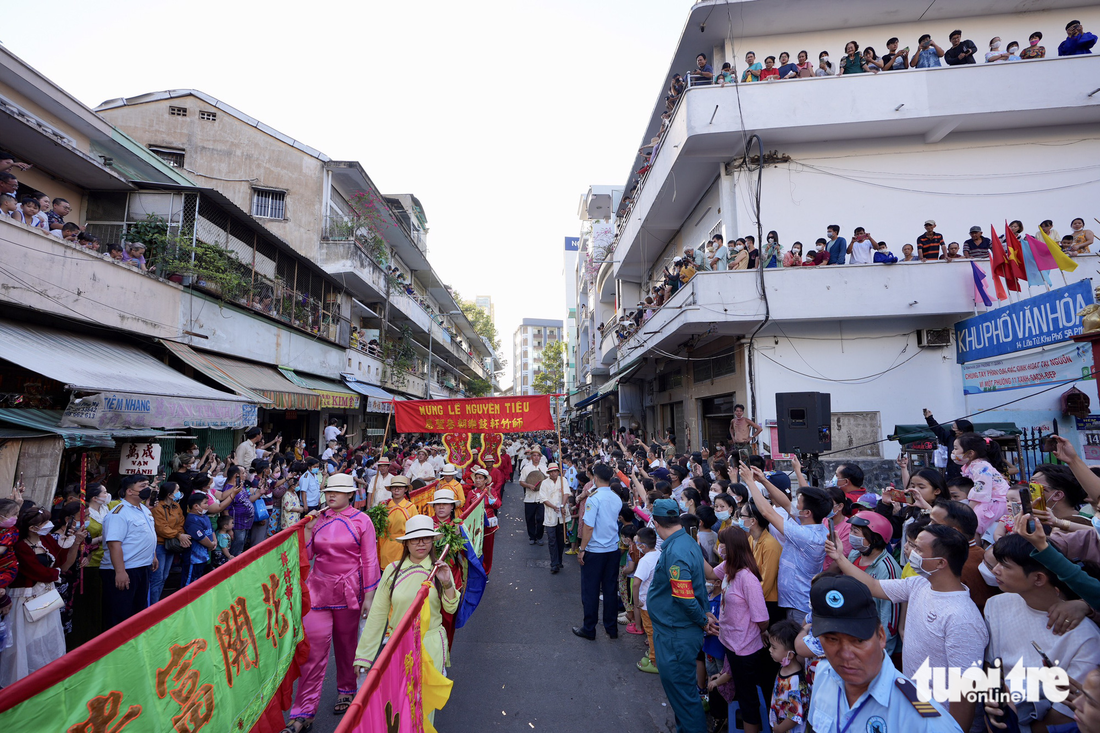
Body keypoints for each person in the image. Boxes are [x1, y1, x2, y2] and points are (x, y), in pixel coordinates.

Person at [825, 524, 985, 730]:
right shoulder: (920, 584)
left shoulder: (962, 618)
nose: (910, 552)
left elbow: (964, 691)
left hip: (939, 718)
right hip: (915, 704)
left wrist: (952, 728)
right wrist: (839, 558)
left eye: (918, 549)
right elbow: (873, 586)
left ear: (940, 562)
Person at [284, 474, 380, 733]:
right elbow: (306, 554)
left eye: (337, 492)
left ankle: (347, 689)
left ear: (350, 494)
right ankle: (303, 712)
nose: (331, 496)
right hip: (318, 590)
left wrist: (369, 596)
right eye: (328, 492)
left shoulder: (362, 520)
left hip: (350, 592)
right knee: (312, 650)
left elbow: (370, 559)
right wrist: (305, 528)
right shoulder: (317, 520)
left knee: (348, 645)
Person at [806, 576, 962, 733]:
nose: (846, 655)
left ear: (881, 636)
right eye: (832, 639)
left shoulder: (923, 720)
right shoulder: (823, 674)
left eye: (858, 641)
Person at [354, 515, 458, 727]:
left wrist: (447, 584)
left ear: (432, 541)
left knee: (423, 709)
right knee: (400, 705)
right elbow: (378, 615)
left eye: (426, 539)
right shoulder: (393, 570)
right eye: (415, 539)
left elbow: (451, 607)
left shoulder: (439, 570)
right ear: (406, 543)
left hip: (430, 645)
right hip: (398, 646)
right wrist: (364, 657)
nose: (421, 544)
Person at [645, 498, 719, 733]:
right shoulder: (688, 541)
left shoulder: (676, 551)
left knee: (685, 700)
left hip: (675, 635)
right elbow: (699, 583)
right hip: (677, 631)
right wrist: (705, 612)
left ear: (656, 523)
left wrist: (701, 619)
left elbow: (685, 596)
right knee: (682, 697)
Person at [0, 505, 85, 685]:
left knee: (48, 636)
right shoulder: (20, 545)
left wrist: (74, 542)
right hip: (25, 598)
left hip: (47, 596)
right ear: (32, 527)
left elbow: (63, 563)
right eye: (44, 522)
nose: (49, 524)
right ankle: (23, 682)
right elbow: (34, 569)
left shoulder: (46, 539)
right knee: (28, 641)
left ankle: (49, 677)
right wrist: (56, 575)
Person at [744, 465, 830, 620]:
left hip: (799, 605)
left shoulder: (806, 536)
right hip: (794, 600)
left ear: (807, 513)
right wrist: (763, 481)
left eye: (799, 503)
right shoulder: (813, 525)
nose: (794, 505)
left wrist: (750, 483)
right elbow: (786, 504)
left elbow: (767, 512)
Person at [709, 525, 771, 733]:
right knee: (736, 690)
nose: (720, 548)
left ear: (733, 548)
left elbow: (762, 618)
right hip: (730, 643)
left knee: (747, 698)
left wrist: (760, 632)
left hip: (745, 647)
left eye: (723, 545)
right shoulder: (728, 567)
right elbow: (710, 573)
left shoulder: (747, 578)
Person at [573, 463, 625, 640]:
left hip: (595, 550)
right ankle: (611, 629)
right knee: (610, 589)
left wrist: (582, 549)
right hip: (612, 549)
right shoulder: (616, 498)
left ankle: (589, 628)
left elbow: (588, 527)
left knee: (591, 590)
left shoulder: (594, 498)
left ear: (595, 478)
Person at [100, 475, 158, 629]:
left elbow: (149, 534)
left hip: (142, 566)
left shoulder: (144, 509)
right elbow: (114, 544)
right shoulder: (118, 513)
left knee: (137, 611)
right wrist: (120, 571)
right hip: (125, 569)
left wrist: (153, 556)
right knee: (120, 613)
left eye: (147, 485)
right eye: (142, 486)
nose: (147, 489)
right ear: (129, 491)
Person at [846, 512, 901, 653]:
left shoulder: (888, 569)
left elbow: (890, 620)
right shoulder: (854, 555)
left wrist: (882, 652)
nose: (851, 535)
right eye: (851, 530)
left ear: (874, 537)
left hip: (872, 641)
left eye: (856, 531)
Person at [952, 432, 1009, 536]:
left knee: (973, 527)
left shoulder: (980, 466)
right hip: (989, 500)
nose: (953, 452)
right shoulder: (974, 465)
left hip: (994, 502)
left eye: (956, 448)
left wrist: (969, 510)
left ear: (970, 453)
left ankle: (976, 549)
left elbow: (981, 491)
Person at [766, 619, 809, 733]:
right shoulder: (783, 668)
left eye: (774, 647)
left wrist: (780, 729)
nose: (770, 650)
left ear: (790, 655)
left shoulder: (795, 681)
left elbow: (795, 714)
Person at [150, 481, 190, 603]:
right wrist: (178, 535)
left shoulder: (176, 506)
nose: (179, 493)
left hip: (172, 545)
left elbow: (180, 523)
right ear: (169, 494)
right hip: (160, 545)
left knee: (164, 577)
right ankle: (152, 606)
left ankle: (157, 603)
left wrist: (179, 535)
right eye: (177, 490)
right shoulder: (157, 507)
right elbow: (161, 528)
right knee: (157, 578)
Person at [633, 526, 662, 674]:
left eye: (637, 543)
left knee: (650, 631)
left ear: (643, 546)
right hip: (658, 601)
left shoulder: (645, 561)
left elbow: (636, 583)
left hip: (646, 602)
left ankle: (655, 661)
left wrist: (637, 602)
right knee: (657, 631)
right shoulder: (659, 554)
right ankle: (654, 653)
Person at [378, 475, 417, 568]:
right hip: (386, 546)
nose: (396, 490)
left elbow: (415, 530)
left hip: (404, 547)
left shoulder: (410, 507)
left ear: (405, 489)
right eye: (394, 488)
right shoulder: (384, 507)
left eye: (400, 488)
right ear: (391, 490)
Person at [180, 494, 215, 587]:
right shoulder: (192, 520)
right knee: (189, 583)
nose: (207, 505)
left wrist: (214, 542)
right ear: (196, 506)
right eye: (205, 503)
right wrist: (211, 545)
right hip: (194, 559)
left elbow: (211, 530)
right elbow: (201, 537)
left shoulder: (205, 517)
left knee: (198, 582)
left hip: (203, 557)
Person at [540, 462, 567, 573]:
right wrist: (554, 507)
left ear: (558, 472)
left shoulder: (563, 480)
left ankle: (559, 560)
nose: (553, 473)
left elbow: (566, 493)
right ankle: (554, 563)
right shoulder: (544, 483)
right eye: (551, 471)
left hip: (562, 514)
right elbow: (543, 498)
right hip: (550, 514)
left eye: (555, 471)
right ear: (549, 473)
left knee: (561, 539)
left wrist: (562, 506)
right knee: (552, 540)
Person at [520, 447, 548, 545]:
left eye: (538, 456)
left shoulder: (545, 468)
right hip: (529, 498)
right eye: (534, 455)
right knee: (530, 518)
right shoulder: (526, 468)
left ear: (540, 457)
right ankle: (532, 536)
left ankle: (539, 536)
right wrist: (529, 485)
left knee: (541, 518)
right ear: (531, 457)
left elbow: (548, 481)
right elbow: (521, 481)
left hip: (541, 498)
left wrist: (543, 478)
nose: (536, 457)